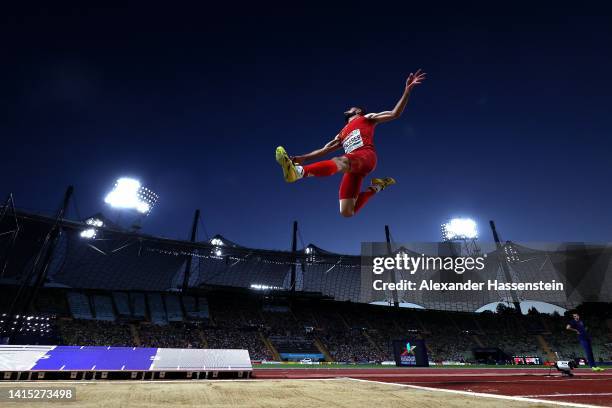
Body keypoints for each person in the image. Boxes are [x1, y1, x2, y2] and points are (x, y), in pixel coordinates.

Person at [275, 70, 426, 217]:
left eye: (351, 108)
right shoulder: (341, 133)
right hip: (352, 166)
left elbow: (394, 114)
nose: (347, 110)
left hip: (365, 156)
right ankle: (377, 186)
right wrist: (303, 157)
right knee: (347, 211)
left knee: (338, 161)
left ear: (358, 111)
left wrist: (407, 91)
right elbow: (324, 150)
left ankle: (299, 172)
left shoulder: (367, 117)